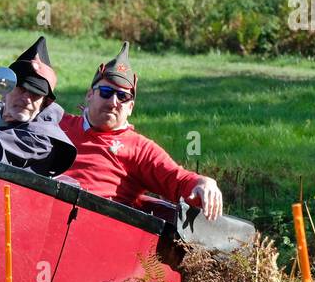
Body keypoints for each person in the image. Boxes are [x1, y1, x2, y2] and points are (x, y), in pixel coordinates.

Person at [58, 42, 224, 219]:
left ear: (130, 107)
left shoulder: (140, 149)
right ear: (90, 95)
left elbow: (178, 179)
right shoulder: (57, 122)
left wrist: (203, 182)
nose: (113, 102)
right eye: (106, 92)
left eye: (123, 97)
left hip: (94, 228)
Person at [0, 36, 75, 177]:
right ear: (5, 90)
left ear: (45, 103)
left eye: (35, 94)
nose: (26, 98)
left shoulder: (42, 137)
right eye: (20, 88)